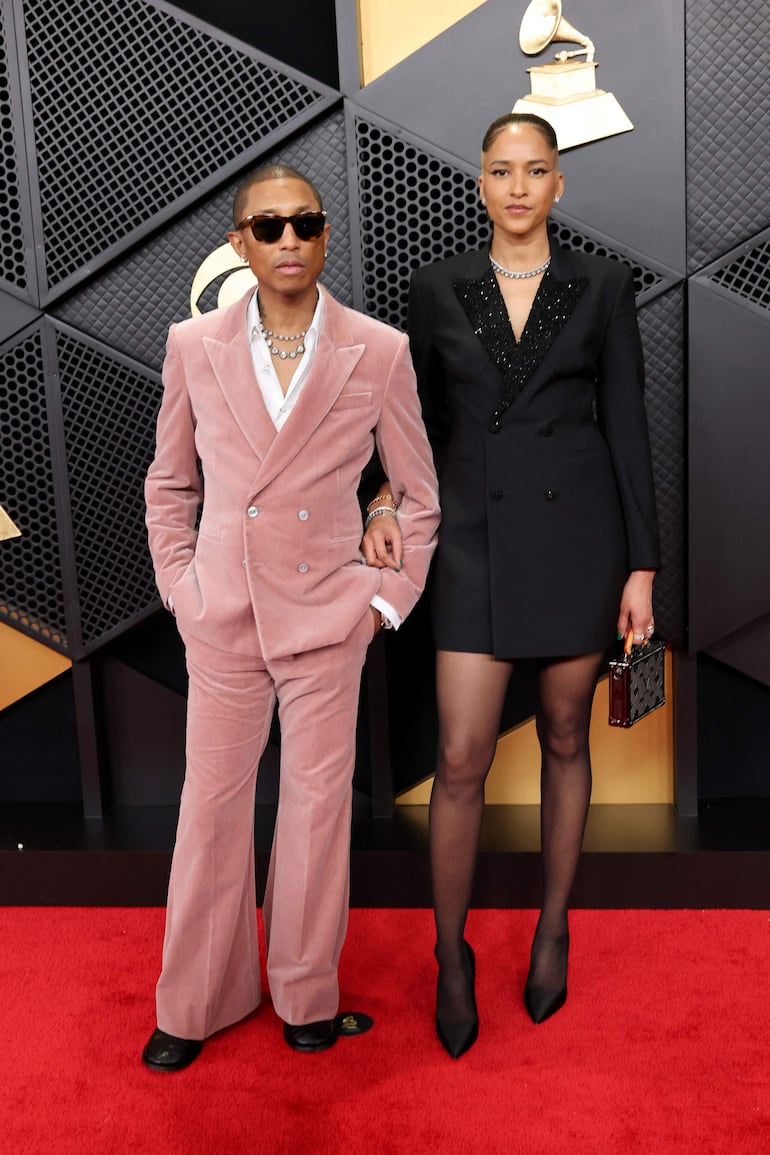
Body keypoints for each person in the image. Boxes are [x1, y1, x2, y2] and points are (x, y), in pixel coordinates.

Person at [363, 113, 659, 1058]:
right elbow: (416, 418)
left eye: (537, 170)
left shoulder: (604, 285)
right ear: (481, 183)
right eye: (502, 170)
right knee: (461, 757)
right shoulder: (438, 285)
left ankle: (554, 922)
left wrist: (644, 564)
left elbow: (626, 426)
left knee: (569, 734)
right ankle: (450, 956)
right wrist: (381, 496)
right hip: (475, 541)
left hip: (579, 538)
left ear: (559, 185)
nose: (520, 185)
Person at [143, 164, 439, 1071]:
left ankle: (308, 991)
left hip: (326, 618)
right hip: (223, 618)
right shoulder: (193, 344)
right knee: (211, 811)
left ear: (323, 236)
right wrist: (184, 592)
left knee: (315, 814)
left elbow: (419, 493)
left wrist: (382, 602)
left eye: (303, 224)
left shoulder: (377, 348)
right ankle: (196, 998)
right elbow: (169, 484)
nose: (287, 242)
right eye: (266, 227)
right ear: (238, 242)